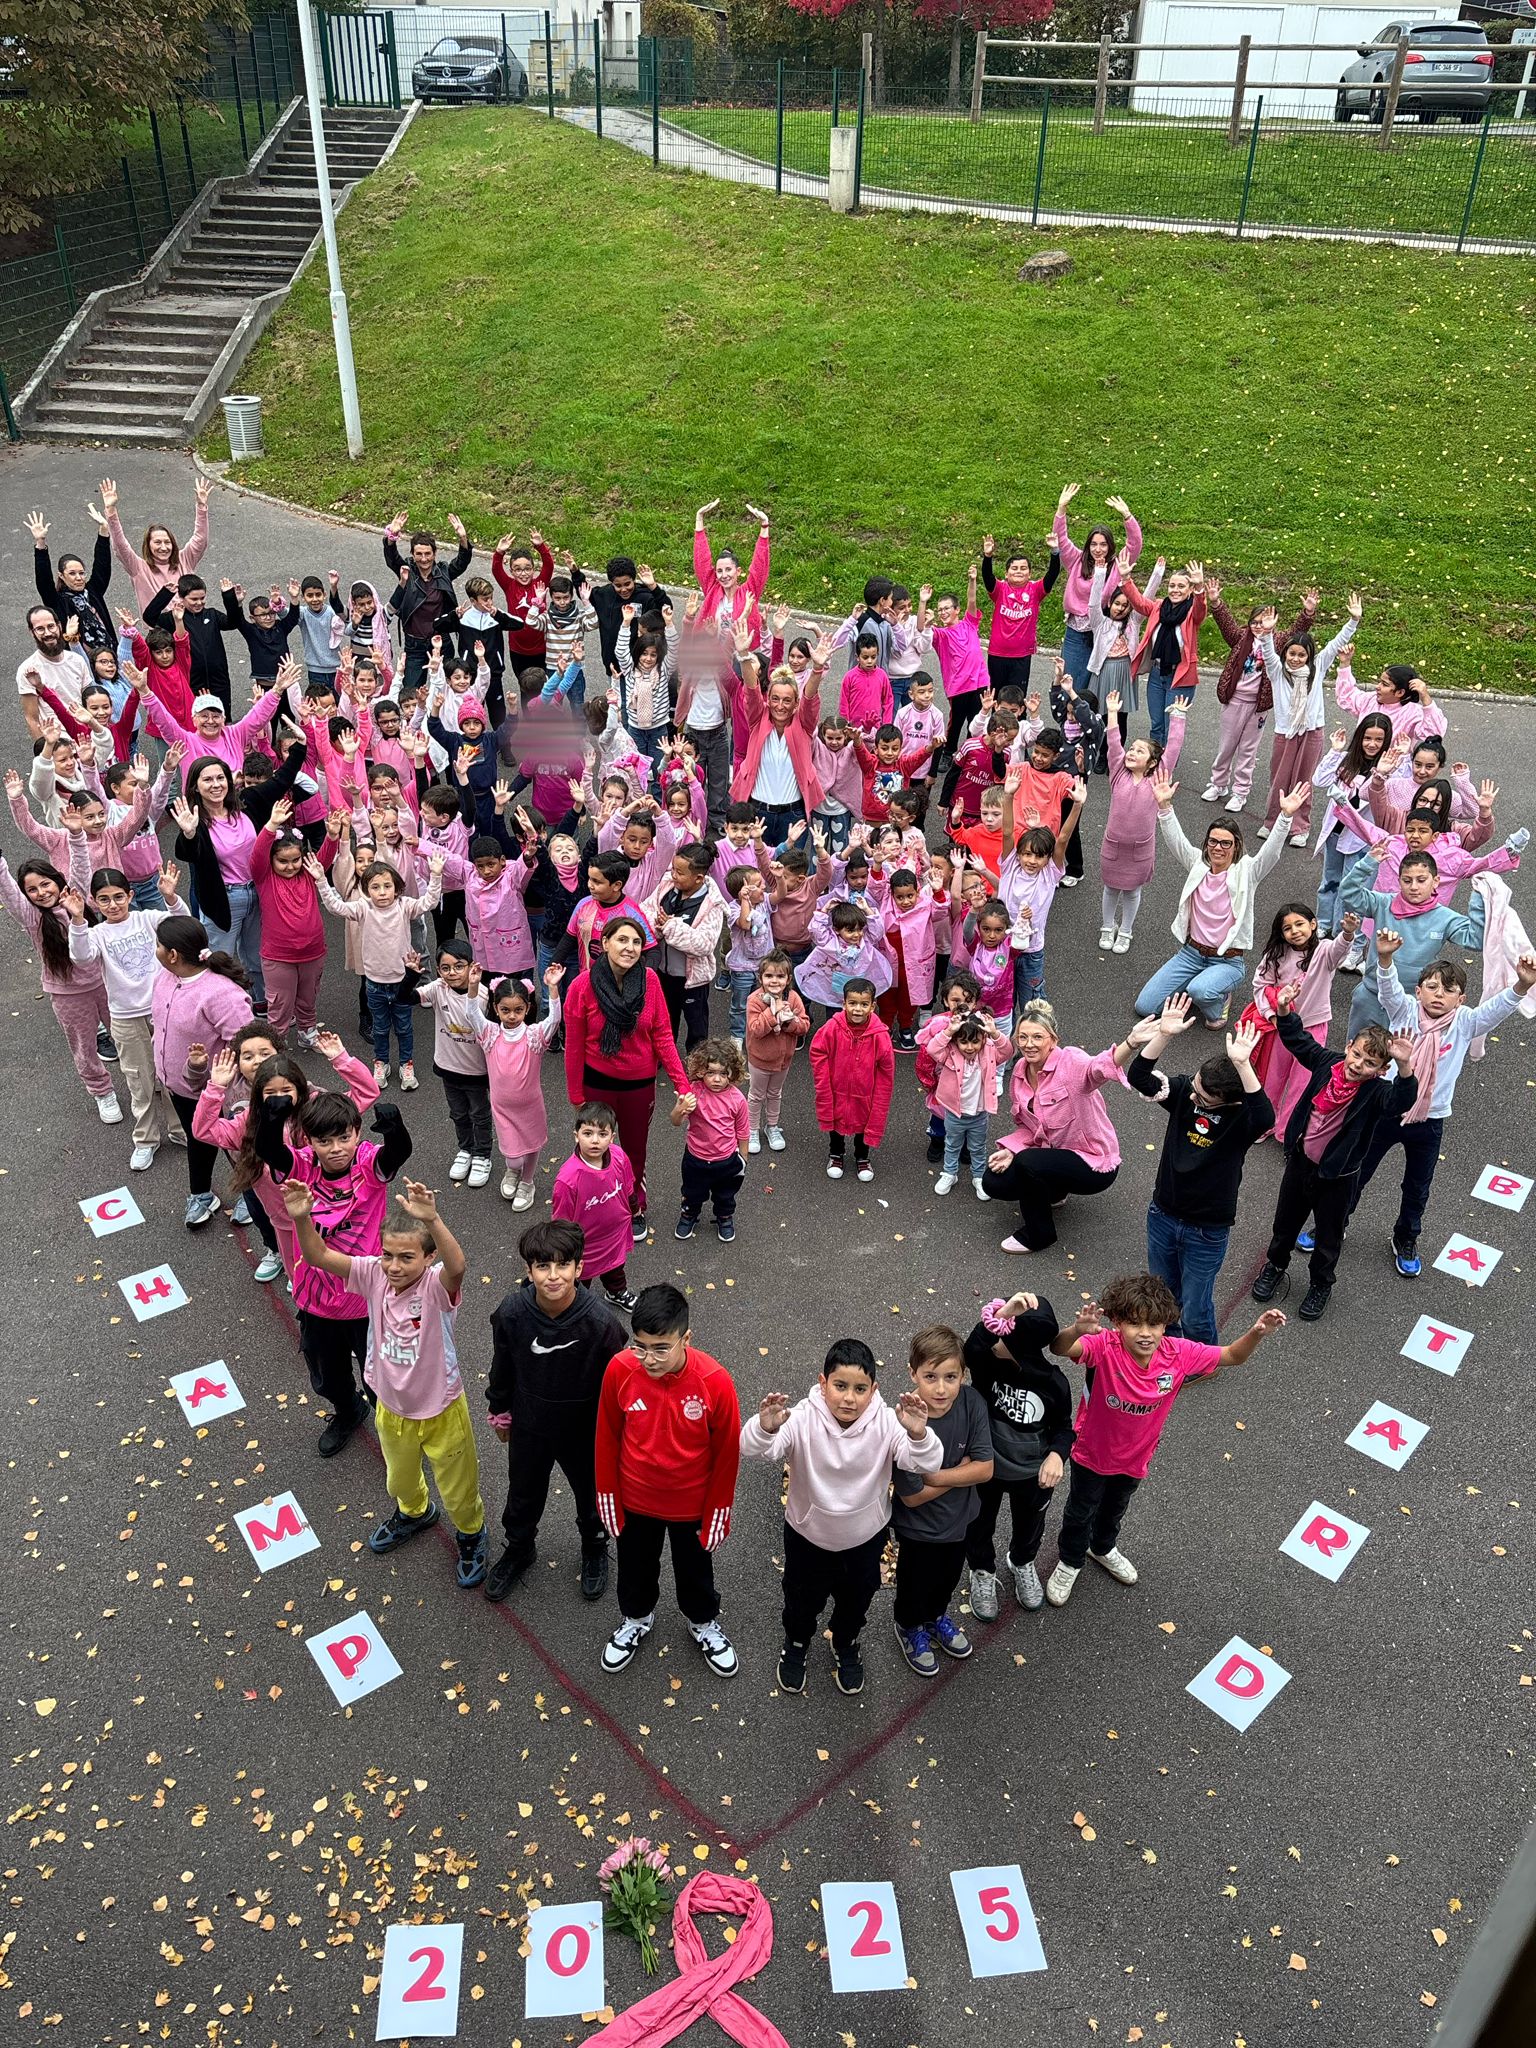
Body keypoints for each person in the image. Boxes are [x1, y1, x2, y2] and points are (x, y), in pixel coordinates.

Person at [284, 1176, 488, 1588]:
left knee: (458, 1488)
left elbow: (458, 1266)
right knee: (399, 1477)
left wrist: (433, 1219)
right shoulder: (372, 1274)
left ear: (427, 1259)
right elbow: (319, 1255)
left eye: (407, 1257)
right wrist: (302, 1218)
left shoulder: (436, 1286)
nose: (394, 1266)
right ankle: (415, 1512)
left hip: (441, 1409)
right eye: (388, 1255)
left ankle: (471, 1533)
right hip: (391, 1408)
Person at [1046, 1275, 1286, 1605]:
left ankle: (1101, 1548)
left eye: (1154, 1324)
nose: (1145, 1333)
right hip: (1091, 1454)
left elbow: (1232, 1356)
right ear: (1116, 1322)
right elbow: (1059, 1348)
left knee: (1115, 1509)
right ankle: (1070, 1560)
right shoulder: (1104, 1346)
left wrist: (1256, 1333)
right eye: (1134, 1324)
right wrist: (1076, 1330)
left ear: (1166, 1324)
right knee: (1080, 1511)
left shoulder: (1179, 1353)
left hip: (1135, 1459)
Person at [740, 1339, 941, 1698]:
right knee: (801, 1600)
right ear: (822, 1383)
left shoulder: (887, 1422)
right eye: (840, 1386)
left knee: (857, 1600)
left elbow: (926, 1463)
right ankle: (797, 1642)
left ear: (873, 1390)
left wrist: (919, 1433)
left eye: (860, 1389)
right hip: (807, 1537)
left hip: (865, 1540)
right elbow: (755, 1450)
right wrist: (765, 1427)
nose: (849, 1398)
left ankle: (845, 1642)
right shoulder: (801, 1418)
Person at [1348, 929, 1536, 1277]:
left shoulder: (1465, 1023)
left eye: (1449, 990)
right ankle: (1334, 1222)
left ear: (1461, 999)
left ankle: (1405, 1238)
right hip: (1386, 1111)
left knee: (1417, 1187)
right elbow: (1388, 988)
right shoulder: (1403, 1010)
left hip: (1430, 1120)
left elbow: (1495, 1011)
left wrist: (1521, 986)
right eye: (1432, 987)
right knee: (1358, 1170)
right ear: (1418, 991)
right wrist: (1385, 958)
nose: (1439, 995)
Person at [594, 1283, 742, 1677]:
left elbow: (727, 1454)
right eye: (640, 1346)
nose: (649, 1359)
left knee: (695, 1571)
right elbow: (607, 1435)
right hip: (635, 1499)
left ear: (686, 1339)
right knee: (635, 1567)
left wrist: (717, 1511)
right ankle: (636, 1619)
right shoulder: (619, 1370)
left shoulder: (716, 1382)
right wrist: (606, 1492)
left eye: (661, 1348)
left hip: (691, 1507)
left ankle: (703, 1622)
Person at [257, 1088, 413, 1453]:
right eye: (324, 1141)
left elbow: (397, 1154)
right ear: (310, 1142)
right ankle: (347, 1410)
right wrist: (271, 1119)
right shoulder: (303, 1165)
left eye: (344, 1137)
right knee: (327, 1378)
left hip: (366, 1300)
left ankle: (395, 1436)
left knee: (381, 1380)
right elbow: (269, 1151)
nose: (336, 1148)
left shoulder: (367, 1164)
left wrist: (395, 1129)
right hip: (317, 1298)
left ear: (357, 1132)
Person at [484, 1217, 629, 1604]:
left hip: (584, 1429)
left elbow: (620, 1381)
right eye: (542, 1266)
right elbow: (502, 1365)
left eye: (563, 1265)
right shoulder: (512, 1313)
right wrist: (499, 1411)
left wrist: (619, 1431)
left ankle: (595, 1545)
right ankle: (519, 1547)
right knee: (523, 1492)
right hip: (530, 1424)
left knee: (591, 1494)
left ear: (579, 1268)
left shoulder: (601, 1322)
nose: (553, 1276)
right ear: (528, 1270)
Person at [1249, 990, 1417, 1321]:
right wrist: (1284, 1010)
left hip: (1338, 1178)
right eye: (1356, 1055)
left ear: (1381, 1070)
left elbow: (1402, 1103)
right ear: (1349, 1046)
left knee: (1327, 1237)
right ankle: (1275, 1265)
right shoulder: (1328, 1063)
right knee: (1285, 1223)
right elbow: (1298, 1042)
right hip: (1300, 1165)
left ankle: (1321, 1284)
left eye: (1370, 1063)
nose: (1358, 1064)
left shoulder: (1378, 1092)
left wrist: (1405, 1064)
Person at [1121, 996, 1275, 1342]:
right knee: (1163, 1292)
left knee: (1195, 1302)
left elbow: (1266, 1117)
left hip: (1207, 1230)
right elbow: (1140, 1078)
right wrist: (1163, 1035)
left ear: (1230, 1102)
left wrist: (1243, 1064)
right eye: (1195, 1087)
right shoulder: (1183, 1093)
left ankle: (1202, 1356)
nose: (1192, 1097)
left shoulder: (1242, 1120)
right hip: (1163, 1214)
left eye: (1203, 1097)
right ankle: (1173, 1346)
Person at [1134, 772, 1307, 1026]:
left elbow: (1270, 852)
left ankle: (1218, 1001)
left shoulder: (1247, 871)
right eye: (1213, 841)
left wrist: (1285, 817)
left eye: (1226, 843)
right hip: (1190, 954)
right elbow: (1176, 841)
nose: (1218, 848)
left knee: (1200, 992)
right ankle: (1203, 983)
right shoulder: (1198, 864)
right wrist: (1164, 806)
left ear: (1236, 846)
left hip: (1228, 960)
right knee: (1145, 1007)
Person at [562, 914, 690, 1239]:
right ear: (604, 943)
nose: (630, 947)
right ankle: (593, 1204)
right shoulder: (581, 986)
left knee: (634, 1152)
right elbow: (574, 1045)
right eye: (622, 939)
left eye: (636, 942)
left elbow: (662, 1035)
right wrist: (576, 1096)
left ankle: (634, 1206)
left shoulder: (650, 980)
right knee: (595, 1148)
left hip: (639, 1085)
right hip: (597, 1082)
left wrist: (682, 1085)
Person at [63, 863, 187, 1169]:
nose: (113, 904)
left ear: (130, 896)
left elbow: (184, 926)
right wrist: (77, 920)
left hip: (163, 1010)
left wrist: (170, 897)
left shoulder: (149, 920)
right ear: (93, 901)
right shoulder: (97, 933)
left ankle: (180, 1129)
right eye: (104, 899)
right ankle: (145, 1139)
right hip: (125, 1018)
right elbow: (80, 957)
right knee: (139, 1079)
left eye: (118, 897)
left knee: (171, 1074)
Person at [981, 1000, 1129, 1254]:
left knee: (1029, 1163)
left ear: (1053, 1040)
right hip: (1056, 1157)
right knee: (993, 1183)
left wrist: (1132, 1043)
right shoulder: (1019, 1071)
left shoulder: (1070, 1062)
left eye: (1038, 1037)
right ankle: (1055, 1192)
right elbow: (1030, 1129)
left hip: (1092, 1162)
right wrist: (1011, 1150)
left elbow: (1098, 1068)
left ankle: (1039, 1235)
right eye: (1023, 1037)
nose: (1029, 1044)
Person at [961, 1293, 1075, 1619]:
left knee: (1030, 1526)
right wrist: (1003, 1313)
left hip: (1033, 1474)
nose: (995, 1343)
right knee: (979, 1523)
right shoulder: (987, 1364)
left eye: (1003, 1336)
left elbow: (1064, 1429)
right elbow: (972, 1349)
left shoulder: (1053, 1383)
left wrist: (1056, 1455)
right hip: (986, 1469)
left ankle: (1022, 1562)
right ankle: (982, 1569)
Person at [890, 1326, 994, 1678]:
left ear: (963, 1375)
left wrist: (936, 1476)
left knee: (947, 1578)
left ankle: (935, 1619)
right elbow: (913, 1496)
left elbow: (985, 1470)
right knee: (913, 1583)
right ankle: (908, 1626)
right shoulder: (903, 1422)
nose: (940, 1388)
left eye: (951, 1377)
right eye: (930, 1377)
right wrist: (959, 1472)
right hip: (917, 1530)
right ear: (912, 1373)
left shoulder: (971, 1402)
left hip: (961, 1521)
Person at [311, 849, 444, 1089]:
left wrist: (435, 876)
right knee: (380, 1029)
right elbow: (336, 907)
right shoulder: (363, 908)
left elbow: (429, 902)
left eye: (387, 886)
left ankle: (406, 1064)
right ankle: (381, 1062)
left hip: (403, 983)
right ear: (366, 890)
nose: (382, 892)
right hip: (374, 983)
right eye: (375, 887)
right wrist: (322, 880)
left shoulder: (404, 906)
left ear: (397, 888)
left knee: (404, 1027)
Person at [151, 914, 255, 1222]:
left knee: (237, 1148)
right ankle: (201, 1194)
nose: (154, 949)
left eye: (158, 945)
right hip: (181, 1088)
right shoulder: (166, 976)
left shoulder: (222, 994)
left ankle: (252, 1195)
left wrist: (221, 1081)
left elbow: (247, 1044)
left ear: (173, 954)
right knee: (198, 1138)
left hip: (219, 1094)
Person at [447, 961, 564, 1206]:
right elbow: (471, 1014)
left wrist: (553, 988)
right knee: (513, 1158)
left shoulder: (534, 1037)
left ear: (527, 1008)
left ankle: (527, 1183)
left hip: (531, 1107)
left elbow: (554, 1020)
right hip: (503, 1109)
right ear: (496, 1008)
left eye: (518, 1010)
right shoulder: (489, 1034)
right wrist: (473, 985)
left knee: (532, 1147)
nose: (512, 1016)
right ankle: (513, 1171)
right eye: (506, 1010)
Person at [1338, 845, 1488, 1035]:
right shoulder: (1383, 903)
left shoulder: (1445, 918)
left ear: (1436, 882)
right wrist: (1368, 862)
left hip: (1412, 1004)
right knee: (1357, 1055)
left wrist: (1478, 899)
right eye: (1407, 881)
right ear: (1399, 881)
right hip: (1371, 996)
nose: (1414, 887)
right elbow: (1348, 893)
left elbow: (1475, 939)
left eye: (1421, 880)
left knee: (1402, 1060)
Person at [1203, 574, 1318, 812]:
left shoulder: (1277, 641)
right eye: (1254, 622)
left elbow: (1298, 631)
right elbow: (1225, 622)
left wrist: (1307, 613)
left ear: (1272, 622)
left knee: (1248, 750)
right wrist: (1216, 602)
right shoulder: (1240, 638)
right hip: (1234, 701)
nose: (1258, 626)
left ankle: (1240, 792)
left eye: (1263, 622)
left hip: (1258, 707)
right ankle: (1218, 783)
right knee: (1226, 746)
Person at [1254, 593, 1360, 842]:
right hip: (1286, 733)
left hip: (1312, 733)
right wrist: (1268, 633)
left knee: (1304, 781)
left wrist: (1353, 621)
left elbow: (1335, 644)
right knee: (1280, 778)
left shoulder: (1318, 668)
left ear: (1309, 657)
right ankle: (1272, 822)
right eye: (1292, 653)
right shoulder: (1277, 672)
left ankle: (1300, 827)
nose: (1295, 658)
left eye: (1301, 655)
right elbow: (1269, 653)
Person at [1099, 691, 1184, 952]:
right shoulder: (1117, 774)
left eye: (1139, 750)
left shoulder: (1158, 778)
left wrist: (1178, 717)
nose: (1131, 752)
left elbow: (1174, 748)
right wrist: (1112, 711)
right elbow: (1114, 742)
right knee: (1110, 889)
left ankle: (1125, 931)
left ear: (1153, 763)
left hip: (1141, 850)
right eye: (1132, 748)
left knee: (1132, 891)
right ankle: (1107, 926)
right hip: (1113, 846)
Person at [413, 939, 493, 1189]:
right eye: (445, 968)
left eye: (459, 966)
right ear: (438, 971)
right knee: (458, 1113)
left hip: (477, 1071)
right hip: (448, 1068)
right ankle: (466, 1149)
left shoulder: (484, 995)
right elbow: (405, 998)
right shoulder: (438, 989)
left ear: (472, 967)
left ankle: (482, 1154)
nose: (452, 973)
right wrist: (409, 974)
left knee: (480, 1114)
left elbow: (484, 1026)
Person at [552, 1102, 639, 1313]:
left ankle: (616, 1292)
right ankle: (576, 1305)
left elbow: (628, 1185)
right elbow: (561, 1220)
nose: (594, 1140)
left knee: (616, 1267)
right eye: (588, 1133)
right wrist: (567, 1246)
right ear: (576, 1135)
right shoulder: (568, 1179)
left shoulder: (619, 1157)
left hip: (615, 1234)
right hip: (586, 1243)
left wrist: (633, 1204)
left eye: (602, 1134)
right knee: (582, 1278)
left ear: (612, 1137)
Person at [1053, 484, 1142, 689]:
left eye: (1103, 544)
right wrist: (1061, 509)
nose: (1098, 549)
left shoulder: (1116, 566)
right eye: (1094, 544)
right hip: (1076, 632)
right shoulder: (1076, 560)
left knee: (1098, 687)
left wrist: (1127, 516)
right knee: (1072, 683)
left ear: (1110, 546)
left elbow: (1134, 544)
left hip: (1103, 631)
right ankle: (1069, 722)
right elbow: (1061, 539)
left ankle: (1096, 721)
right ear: (1088, 546)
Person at [642, 841, 728, 1051]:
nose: (673, 875)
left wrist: (670, 926)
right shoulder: (667, 886)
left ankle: (697, 1068)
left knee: (697, 1028)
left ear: (698, 878)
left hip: (693, 981)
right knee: (664, 1022)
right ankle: (663, 1058)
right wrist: (658, 925)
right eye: (673, 869)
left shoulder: (712, 905)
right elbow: (645, 909)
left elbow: (704, 944)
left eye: (680, 873)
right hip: (664, 973)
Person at [809, 977, 895, 1182]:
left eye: (864, 1004)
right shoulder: (833, 1027)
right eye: (852, 1003)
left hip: (865, 1093)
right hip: (836, 1089)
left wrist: (880, 1095)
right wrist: (823, 1079)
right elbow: (817, 1050)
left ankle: (862, 1158)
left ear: (873, 1006)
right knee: (836, 1122)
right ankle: (836, 1154)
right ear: (843, 1003)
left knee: (864, 1124)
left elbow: (886, 1069)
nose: (858, 1009)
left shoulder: (880, 1035)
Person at [671, 1036, 750, 1243]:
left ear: (732, 1073)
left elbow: (743, 1132)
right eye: (711, 1073)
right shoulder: (693, 1092)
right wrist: (679, 1109)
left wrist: (743, 1160)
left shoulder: (737, 1099)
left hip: (726, 1161)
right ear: (700, 1071)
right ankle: (689, 1214)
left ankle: (724, 1218)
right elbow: (675, 1121)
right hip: (695, 1158)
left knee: (725, 1195)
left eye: (723, 1074)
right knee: (691, 1192)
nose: (717, 1079)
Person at [384, 514, 474, 693]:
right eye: (419, 554)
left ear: (434, 554)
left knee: (446, 692)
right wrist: (391, 538)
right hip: (414, 645)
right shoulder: (406, 572)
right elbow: (392, 559)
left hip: (441, 643)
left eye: (428, 554)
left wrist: (463, 538)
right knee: (412, 693)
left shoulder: (443, 572)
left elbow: (462, 563)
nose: (424, 559)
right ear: (412, 554)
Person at [100, 474, 210, 609]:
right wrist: (111, 511)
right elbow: (120, 545)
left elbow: (201, 539)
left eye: (167, 542)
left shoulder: (185, 559)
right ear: (148, 545)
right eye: (157, 542)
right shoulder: (138, 568)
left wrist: (201, 506)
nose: (163, 547)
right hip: (159, 629)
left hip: (192, 627)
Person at [928, 1008, 1005, 1199]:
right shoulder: (950, 1054)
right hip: (955, 1113)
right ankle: (949, 1173)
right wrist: (949, 1031)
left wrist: (994, 1033)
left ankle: (978, 1177)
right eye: (963, 1041)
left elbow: (1007, 1051)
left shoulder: (988, 1053)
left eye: (975, 1041)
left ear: (983, 1040)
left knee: (978, 1148)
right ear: (955, 1041)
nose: (969, 1047)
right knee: (952, 1144)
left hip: (979, 1115)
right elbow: (932, 1049)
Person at [744, 949, 809, 1155]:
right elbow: (756, 1029)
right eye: (769, 976)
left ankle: (772, 1126)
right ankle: (752, 1129)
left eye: (780, 976)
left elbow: (804, 1026)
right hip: (760, 1059)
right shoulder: (755, 1000)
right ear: (761, 977)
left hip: (783, 1060)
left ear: (788, 978)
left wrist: (790, 1021)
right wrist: (772, 1013)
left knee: (775, 1093)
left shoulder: (794, 999)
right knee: (756, 1095)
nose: (774, 981)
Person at [16, 606, 94, 740]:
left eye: (51, 626)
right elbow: (32, 719)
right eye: (40, 629)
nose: (47, 633)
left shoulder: (77, 660)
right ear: (32, 632)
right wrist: (45, 752)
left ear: (59, 626)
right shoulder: (27, 669)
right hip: (59, 744)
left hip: (86, 737)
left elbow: (90, 700)